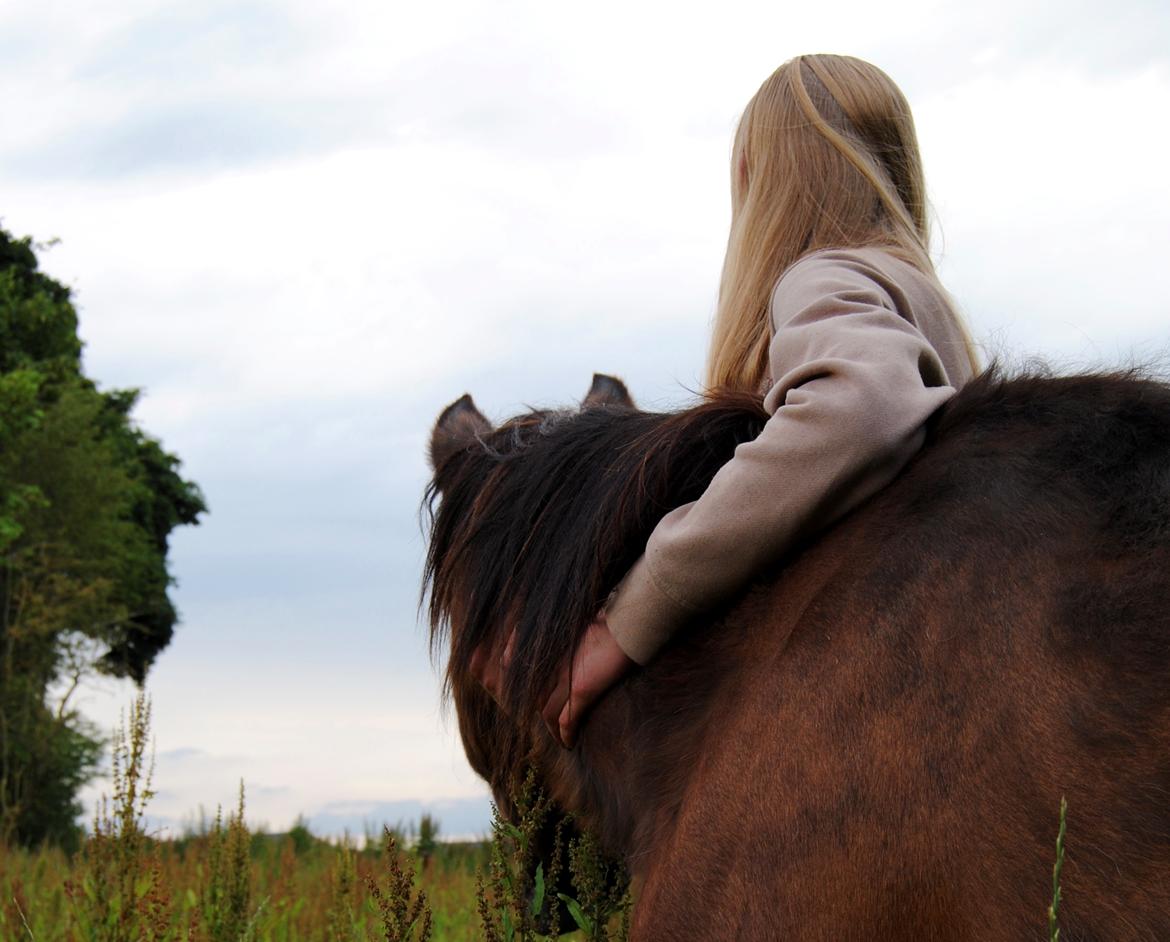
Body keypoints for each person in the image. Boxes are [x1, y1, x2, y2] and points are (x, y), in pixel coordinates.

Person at [481, 54, 980, 746]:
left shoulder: (822, 277)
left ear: (756, 180)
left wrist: (628, 617)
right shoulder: (929, 306)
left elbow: (865, 403)